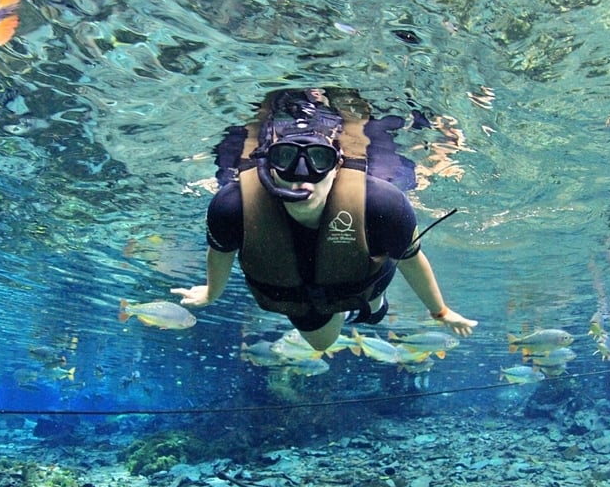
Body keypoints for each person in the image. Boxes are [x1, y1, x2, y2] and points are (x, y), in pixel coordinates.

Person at [171, 88, 476, 351]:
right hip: (292, 289)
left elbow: (411, 260)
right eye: (285, 158)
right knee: (321, 344)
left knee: (369, 304)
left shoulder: (381, 204)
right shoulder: (232, 206)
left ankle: (374, 305)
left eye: (319, 159)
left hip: (363, 278)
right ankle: (345, 311)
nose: (301, 178)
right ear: (269, 166)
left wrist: (440, 312)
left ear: (336, 167)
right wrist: (212, 292)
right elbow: (220, 253)